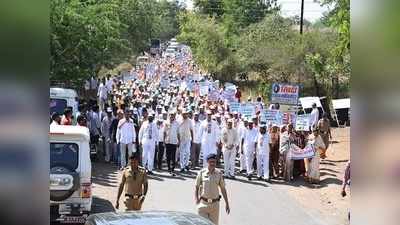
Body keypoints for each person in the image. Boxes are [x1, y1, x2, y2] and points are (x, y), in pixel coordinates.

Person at [195, 154, 230, 225]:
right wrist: (196, 198)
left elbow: (223, 189)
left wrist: (227, 203)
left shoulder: (219, 173)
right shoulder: (201, 173)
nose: (212, 164)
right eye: (211, 162)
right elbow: (197, 186)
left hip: (215, 206)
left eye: (214, 162)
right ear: (207, 162)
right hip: (203, 205)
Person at [164, 111, 179, 176]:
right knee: (168, 156)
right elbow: (164, 132)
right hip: (167, 141)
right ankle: (168, 168)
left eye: (172, 115)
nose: (171, 116)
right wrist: (164, 140)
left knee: (173, 156)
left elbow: (178, 133)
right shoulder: (166, 123)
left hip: (174, 141)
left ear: (174, 117)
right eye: (170, 115)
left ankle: (172, 169)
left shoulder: (177, 123)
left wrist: (179, 141)